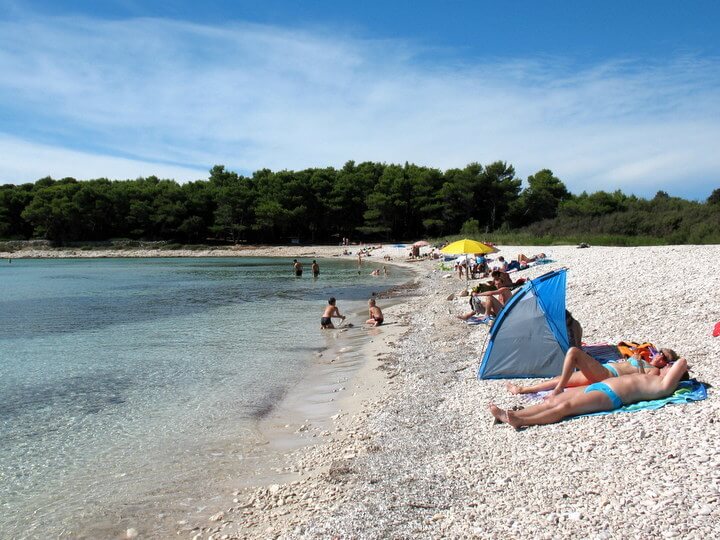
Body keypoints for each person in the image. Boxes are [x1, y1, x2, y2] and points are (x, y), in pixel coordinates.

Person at [490, 358, 689, 428]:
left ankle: (520, 420)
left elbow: (682, 362)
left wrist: (674, 366)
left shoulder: (664, 385)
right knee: (553, 400)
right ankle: (514, 414)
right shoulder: (655, 376)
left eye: (669, 366)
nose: (667, 366)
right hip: (603, 386)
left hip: (611, 396)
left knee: (564, 407)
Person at [506, 346, 679, 396]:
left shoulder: (654, 372)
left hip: (608, 376)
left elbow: (642, 383)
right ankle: (521, 390)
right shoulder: (643, 359)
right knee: (560, 378)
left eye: (662, 357)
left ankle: (559, 389)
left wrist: (640, 365)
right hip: (605, 370)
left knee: (574, 352)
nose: (657, 356)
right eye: (658, 353)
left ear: (665, 363)